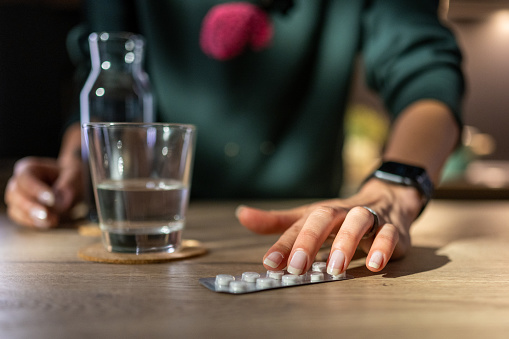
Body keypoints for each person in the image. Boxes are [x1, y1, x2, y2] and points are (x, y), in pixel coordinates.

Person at [3, 0, 464, 276]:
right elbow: (103, 72)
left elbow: (425, 73)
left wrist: (396, 190)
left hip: (314, 231)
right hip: (151, 238)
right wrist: (73, 165)